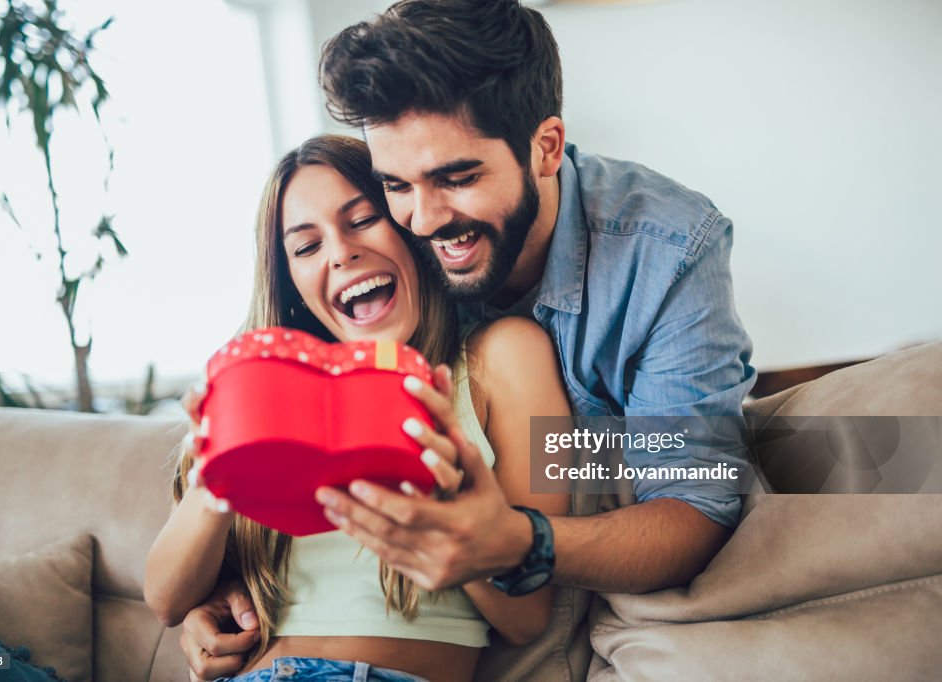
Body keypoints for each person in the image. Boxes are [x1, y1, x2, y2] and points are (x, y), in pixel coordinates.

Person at [181, 0, 757, 678]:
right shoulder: (391, 245)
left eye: (457, 178)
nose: (424, 219)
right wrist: (230, 583)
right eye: (395, 186)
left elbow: (694, 501)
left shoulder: (667, 248)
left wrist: (515, 539)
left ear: (545, 147)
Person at [144, 134, 570, 682]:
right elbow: (166, 602)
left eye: (363, 219)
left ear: (411, 227)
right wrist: (217, 475)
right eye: (306, 246)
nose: (341, 252)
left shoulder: (503, 356)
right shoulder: (273, 398)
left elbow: (528, 618)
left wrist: (443, 507)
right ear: (294, 285)